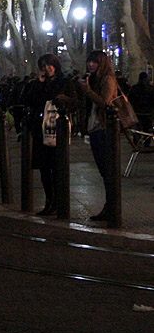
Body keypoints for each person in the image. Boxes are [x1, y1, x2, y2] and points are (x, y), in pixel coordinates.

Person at [23, 54, 77, 215]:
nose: (47, 68)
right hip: (41, 129)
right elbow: (28, 100)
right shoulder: (38, 83)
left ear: (56, 65)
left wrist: (64, 99)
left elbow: (75, 102)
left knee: (58, 167)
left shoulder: (65, 82)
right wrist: (39, 83)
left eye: (50, 65)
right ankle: (49, 201)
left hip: (57, 129)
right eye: (44, 66)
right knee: (44, 168)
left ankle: (59, 202)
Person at [75, 51, 118, 222]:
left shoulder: (108, 79)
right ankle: (110, 205)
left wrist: (87, 90)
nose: (90, 65)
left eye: (94, 62)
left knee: (108, 170)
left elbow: (105, 103)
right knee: (104, 171)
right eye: (89, 62)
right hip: (95, 128)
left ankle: (112, 207)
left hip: (104, 129)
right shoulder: (94, 79)